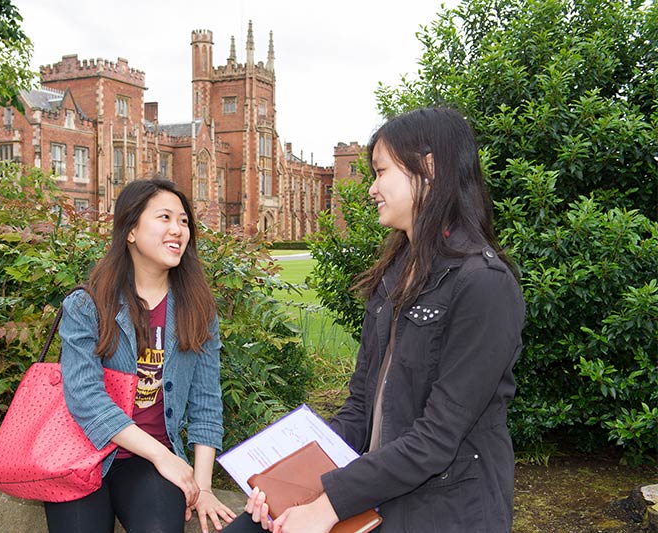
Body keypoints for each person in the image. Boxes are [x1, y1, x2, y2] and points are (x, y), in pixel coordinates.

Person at [225, 107, 526, 532]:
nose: (371, 189)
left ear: (429, 169)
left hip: (444, 510)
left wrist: (326, 507)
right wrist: (285, 485)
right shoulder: (395, 274)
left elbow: (435, 440)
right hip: (377, 493)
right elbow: (361, 409)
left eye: (381, 171)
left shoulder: (483, 285)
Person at [45, 177, 236, 533]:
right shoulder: (87, 306)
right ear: (130, 230)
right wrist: (164, 457)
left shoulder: (197, 309)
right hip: (82, 453)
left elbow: (207, 402)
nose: (178, 229)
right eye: (164, 217)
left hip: (148, 467)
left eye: (183, 221)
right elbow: (86, 398)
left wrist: (204, 487)